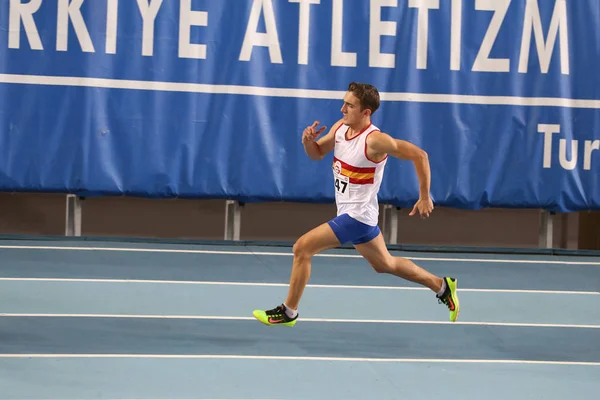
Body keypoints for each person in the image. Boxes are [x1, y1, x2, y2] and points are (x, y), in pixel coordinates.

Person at [252, 82, 459, 326]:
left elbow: (420, 155)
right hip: (358, 214)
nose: (342, 109)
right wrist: (308, 142)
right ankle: (442, 286)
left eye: (349, 105)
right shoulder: (340, 128)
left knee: (302, 248)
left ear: (366, 112)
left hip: (357, 217)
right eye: (344, 103)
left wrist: (425, 196)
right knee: (385, 264)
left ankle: (289, 312)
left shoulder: (375, 141)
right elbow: (317, 153)